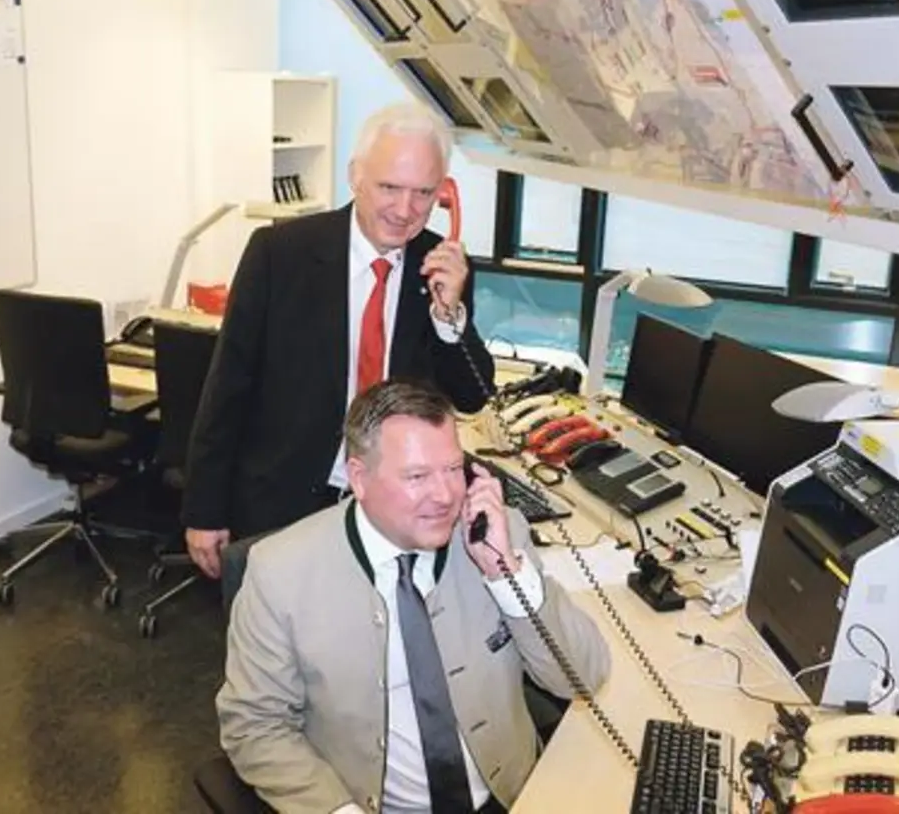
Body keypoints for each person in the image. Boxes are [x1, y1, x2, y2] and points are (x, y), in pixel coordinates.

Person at [216, 380, 611, 814]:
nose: (445, 496)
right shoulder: (280, 573)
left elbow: (584, 677)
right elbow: (255, 726)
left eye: (453, 469)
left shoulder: (497, 535)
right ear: (359, 478)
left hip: (511, 796)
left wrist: (506, 573)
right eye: (417, 476)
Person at [182, 102, 495, 580]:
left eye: (424, 193)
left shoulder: (440, 267)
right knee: (280, 647)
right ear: (355, 176)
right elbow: (227, 386)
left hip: (389, 510)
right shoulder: (279, 254)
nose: (404, 210)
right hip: (283, 502)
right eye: (389, 187)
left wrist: (449, 315)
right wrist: (204, 509)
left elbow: (473, 394)